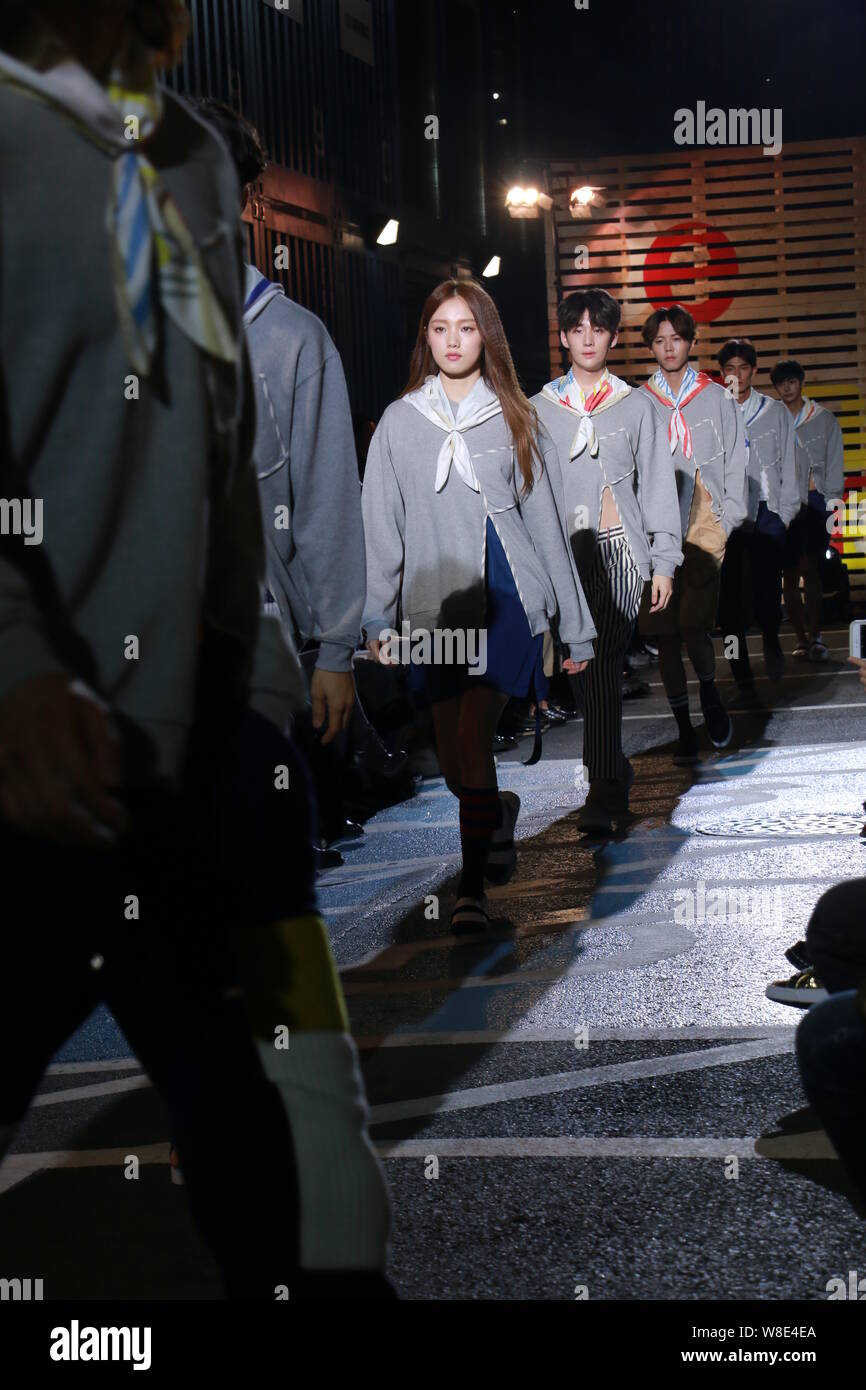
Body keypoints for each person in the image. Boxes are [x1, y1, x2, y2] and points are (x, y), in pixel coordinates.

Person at [0, 0, 391, 1300]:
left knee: (242, 1078)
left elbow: (213, 438)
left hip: (198, 728)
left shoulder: (189, 159)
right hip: (39, 745)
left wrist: (267, 671)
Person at [361, 279, 596, 932]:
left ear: (484, 336)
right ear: (426, 339)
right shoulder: (400, 425)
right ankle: (495, 810)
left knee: (470, 735)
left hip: (508, 597)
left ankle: (471, 892)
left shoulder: (517, 416)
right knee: (456, 760)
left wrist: (574, 628)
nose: (453, 341)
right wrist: (375, 617)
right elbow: (383, 526)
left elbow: (547, 525)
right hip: (434, 605)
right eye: (440, 329)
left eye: (466, 328)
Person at [533, 290, 681, 827]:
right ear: (565, 337)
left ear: (614, 337)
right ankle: (613, 767)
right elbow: (531, 492)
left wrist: (663, 560)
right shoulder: (539, 407)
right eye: (578, 329)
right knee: (580, 668)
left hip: (620, 551)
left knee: (598, 660)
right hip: (563, 556)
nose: (588, 337)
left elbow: (660, 487)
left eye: (600, 328)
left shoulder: (637, 405)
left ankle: (601, 786)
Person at [639, 305, 747, 758]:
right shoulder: (640, 400)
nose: (669, 347)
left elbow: (736, 456)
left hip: (705, 517)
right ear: (652, 346)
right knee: (664, 632)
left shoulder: (716, 395)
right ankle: (684, 722)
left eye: (676, 339)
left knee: (692, 623)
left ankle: (709, 692)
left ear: (690, 342)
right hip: (655, 522)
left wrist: (731, 516)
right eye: (660, 340)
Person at [716, 338, 801, 703]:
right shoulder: (713, 409)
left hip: (766, 512)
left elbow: (793, 465)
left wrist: (784, 514)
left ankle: (770, 640)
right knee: (728, 604)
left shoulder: (773, 411)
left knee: (767, 593)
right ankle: (739, 670)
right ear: (722, 373)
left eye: (743, 367)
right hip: (726, 516)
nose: (736, 374)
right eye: (729, 369)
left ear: (752, 369)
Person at [772, 359, 846, 662]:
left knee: (812, 569)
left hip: (815, 503)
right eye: (781, 383)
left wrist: (832, 504)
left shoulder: (823, 419)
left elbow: (835, 463)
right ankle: (800, 639)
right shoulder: (771, 420)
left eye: (792, 381)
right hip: (783, 506)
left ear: (801, 382)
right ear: (776, 387)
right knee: (788, 575)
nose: (787, 387)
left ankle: (816, 636)